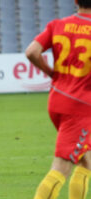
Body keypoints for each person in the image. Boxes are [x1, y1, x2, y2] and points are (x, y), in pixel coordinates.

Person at [26, 1, 91, 198]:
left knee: (86, 161)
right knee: (61, 167)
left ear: (75, 1)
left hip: (58, 99)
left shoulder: (58, 25)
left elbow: (32, 52)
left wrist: (52, 73)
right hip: (80, 105)